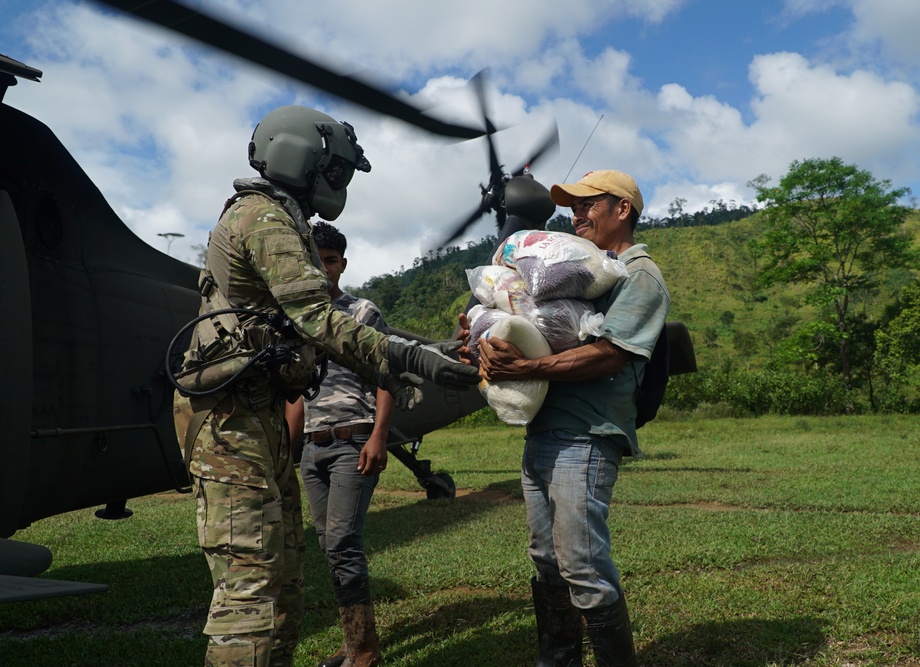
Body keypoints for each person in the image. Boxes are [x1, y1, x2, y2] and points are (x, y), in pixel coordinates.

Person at [172, 105, 480, 667]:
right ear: (301, 160)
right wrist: (417, 359)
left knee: (285, 576)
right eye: (334, 171)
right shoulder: (262, 218)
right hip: (231, 422)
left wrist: (431, 352)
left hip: (256, 417)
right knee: (252, 589)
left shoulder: (276, 219)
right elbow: (321, 318)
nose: (337, 185)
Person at [463, 170, 669, 667]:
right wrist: (484, 338)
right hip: (544, 430)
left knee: (582, 563)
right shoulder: (578, 268)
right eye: (571, 207)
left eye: (588, 204)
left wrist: (528, 366)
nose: (576, 215)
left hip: (587, 434)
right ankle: (557, 661)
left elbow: (608, 355)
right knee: (546, 561)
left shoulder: (640, 275)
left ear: (622, 209)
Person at [285, 221, 390, 667]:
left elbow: (388, 375)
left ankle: (364, 653)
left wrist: (380, 436)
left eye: (330, 260)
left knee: (343, 542)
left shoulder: (361, 312)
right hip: (313, 448)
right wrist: (288, 454)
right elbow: (295, 396)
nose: (323, 268)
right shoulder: (296, 319)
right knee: (330, 546)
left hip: (355, 439)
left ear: (342, 265)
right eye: (315, 260)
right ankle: (352, 642)